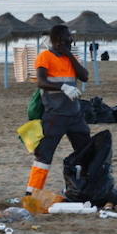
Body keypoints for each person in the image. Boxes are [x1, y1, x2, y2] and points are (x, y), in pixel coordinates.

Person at [26, 23, 91, 195]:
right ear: (58, 40)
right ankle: (32, 192)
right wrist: (63, 87)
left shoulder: (70, 58)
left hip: (75, 115)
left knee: (85, 152)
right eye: (69, 38)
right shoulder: (45, 56)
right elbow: (40, 81)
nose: (72, 40)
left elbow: (84, 76)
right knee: (44, 155)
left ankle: (81, 188)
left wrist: (69, 54)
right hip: (55, 115)